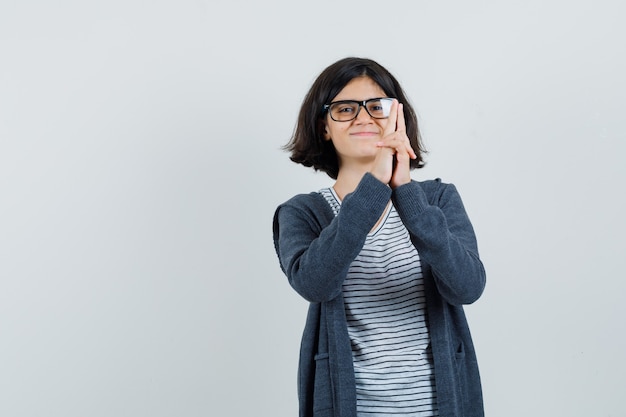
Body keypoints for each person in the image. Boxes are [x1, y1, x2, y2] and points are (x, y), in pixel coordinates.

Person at [272, 57, 486, 417]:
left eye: (377, 106)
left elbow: (468, 287)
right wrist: (373, 187)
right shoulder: (301, 212)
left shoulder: (437, 199)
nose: (363, 117)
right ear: (324, 126)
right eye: (344, 108)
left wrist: (404, 191)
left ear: (398, 117)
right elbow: (315, 283)